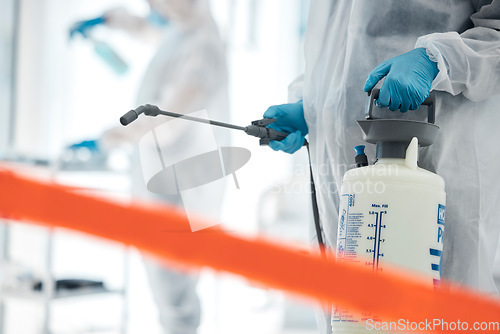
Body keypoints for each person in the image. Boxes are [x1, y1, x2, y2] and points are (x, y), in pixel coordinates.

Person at [263, 1, 500, 332]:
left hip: (441, 157)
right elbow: (340, 43)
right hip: (345, 171)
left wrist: (440, 60)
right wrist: (314, 106)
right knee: (350, 316)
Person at [69, 1, 229, 333]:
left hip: (178, 189)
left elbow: (167, 123)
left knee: (174, 290)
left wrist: (108, 139)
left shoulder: (201, 47)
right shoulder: (182, 33)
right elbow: (149, 30)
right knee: (164, 285)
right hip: (162, 180)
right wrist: (109, 20)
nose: (153, 7)